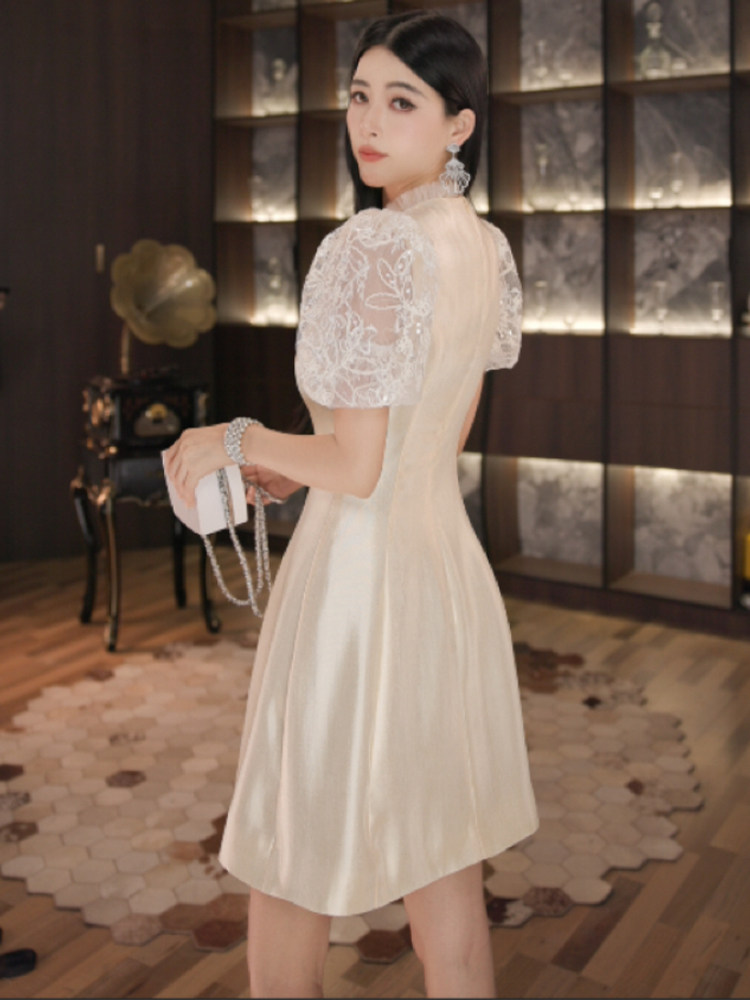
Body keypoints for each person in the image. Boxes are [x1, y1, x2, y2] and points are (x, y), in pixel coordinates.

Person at [165, 11, 538, 997]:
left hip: (355, 592)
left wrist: (234, 439)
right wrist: (302, 466)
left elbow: (362, 467)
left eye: (401, 102)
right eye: (360, 97)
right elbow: (433, 437)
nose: (369, 123)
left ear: (458, 124)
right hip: (444, 577)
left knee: (292, 864)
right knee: (445, 879)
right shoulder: (482, 247)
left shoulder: (373, 245)